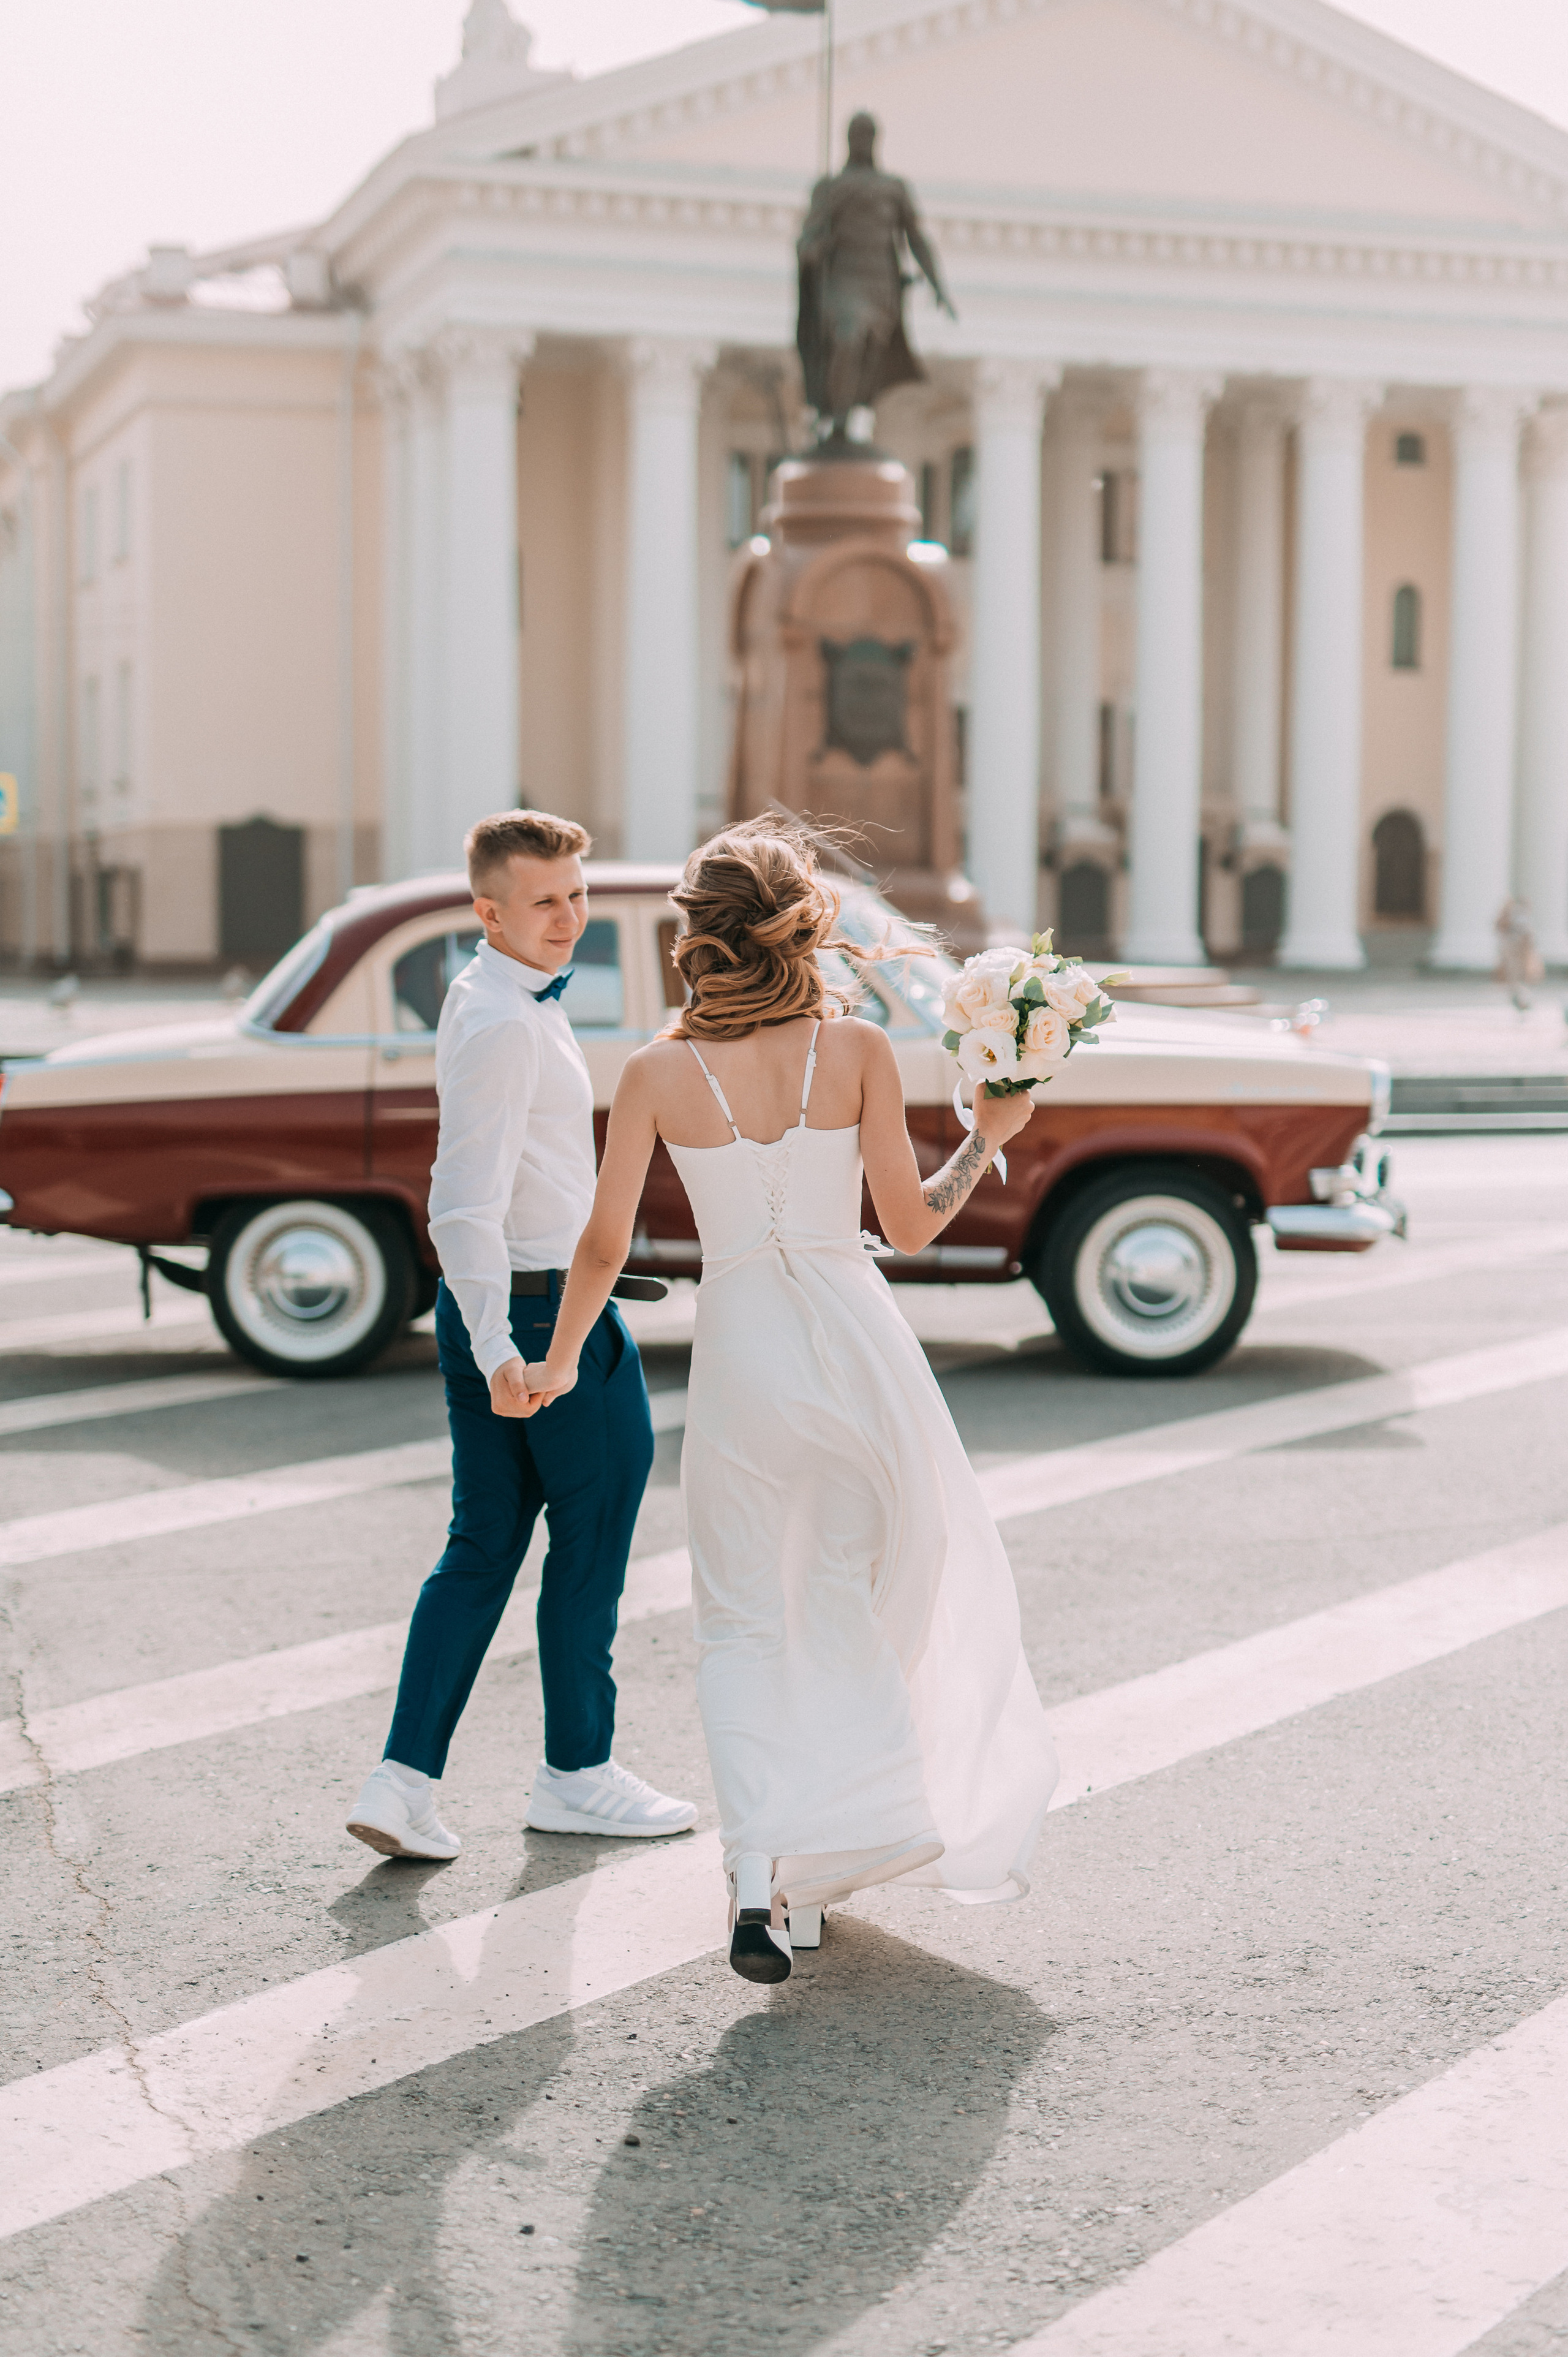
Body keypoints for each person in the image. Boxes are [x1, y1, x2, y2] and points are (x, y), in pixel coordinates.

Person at [517, 821, 1058, 1981]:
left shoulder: (658, 1072)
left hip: (747, 1358)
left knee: (746, 1623)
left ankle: (766, 1874)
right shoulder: (857, 1049)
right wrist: (986, 1140)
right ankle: (844, 1837)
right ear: (800, 926)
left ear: (697, 938)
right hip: (858, 1350)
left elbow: (604, 1243)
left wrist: (558, 1362)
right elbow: (909, 1227)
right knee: (851, 1600)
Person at [346, 809, 696, 1861]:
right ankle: (577, 1775)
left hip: (505, 1305)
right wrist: (505, 1350)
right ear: (487, 911)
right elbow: (461, 1198)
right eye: (545, 901)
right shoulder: (503, 1021)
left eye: (577, 895)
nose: (569, 918)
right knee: (589, 1544)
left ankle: (401, 1783)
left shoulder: (492, 998)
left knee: (484, 1545)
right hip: (540, 1317)